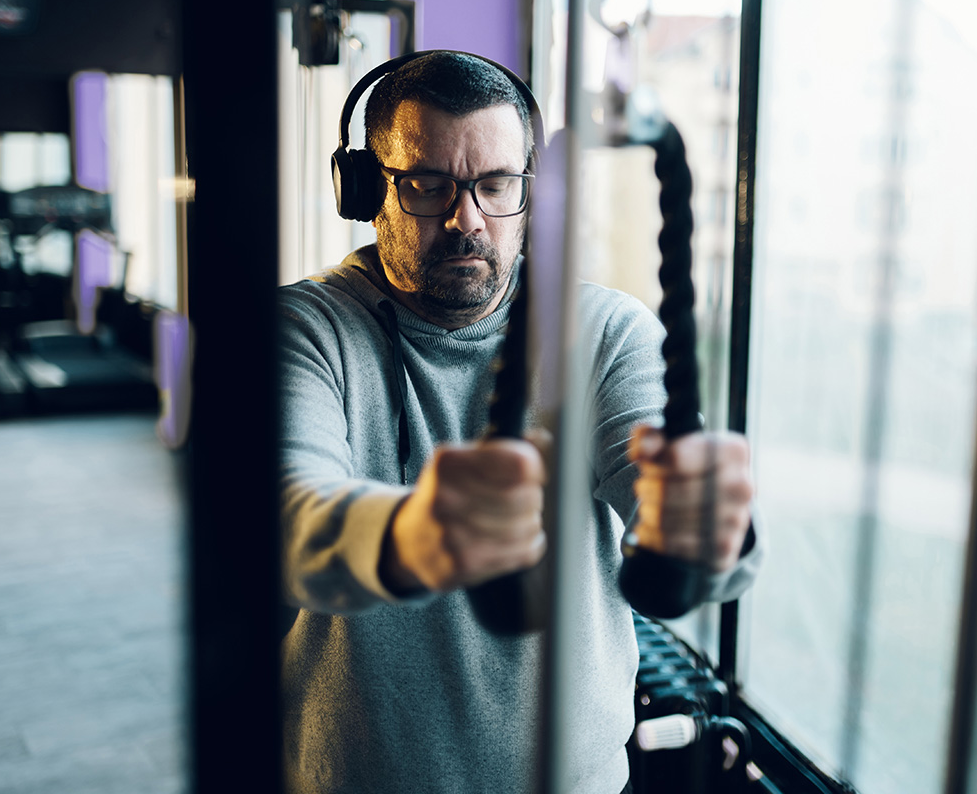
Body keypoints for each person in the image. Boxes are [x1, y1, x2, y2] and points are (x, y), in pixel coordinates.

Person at [277, 50, 763, 794]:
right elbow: (283, 520)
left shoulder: (604, 332)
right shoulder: (300, 330)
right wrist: (420, 534)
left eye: (496, 184)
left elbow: (662, 496)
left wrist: (708, 533)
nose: (465, 218)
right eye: (427, 184)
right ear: (367, 189)